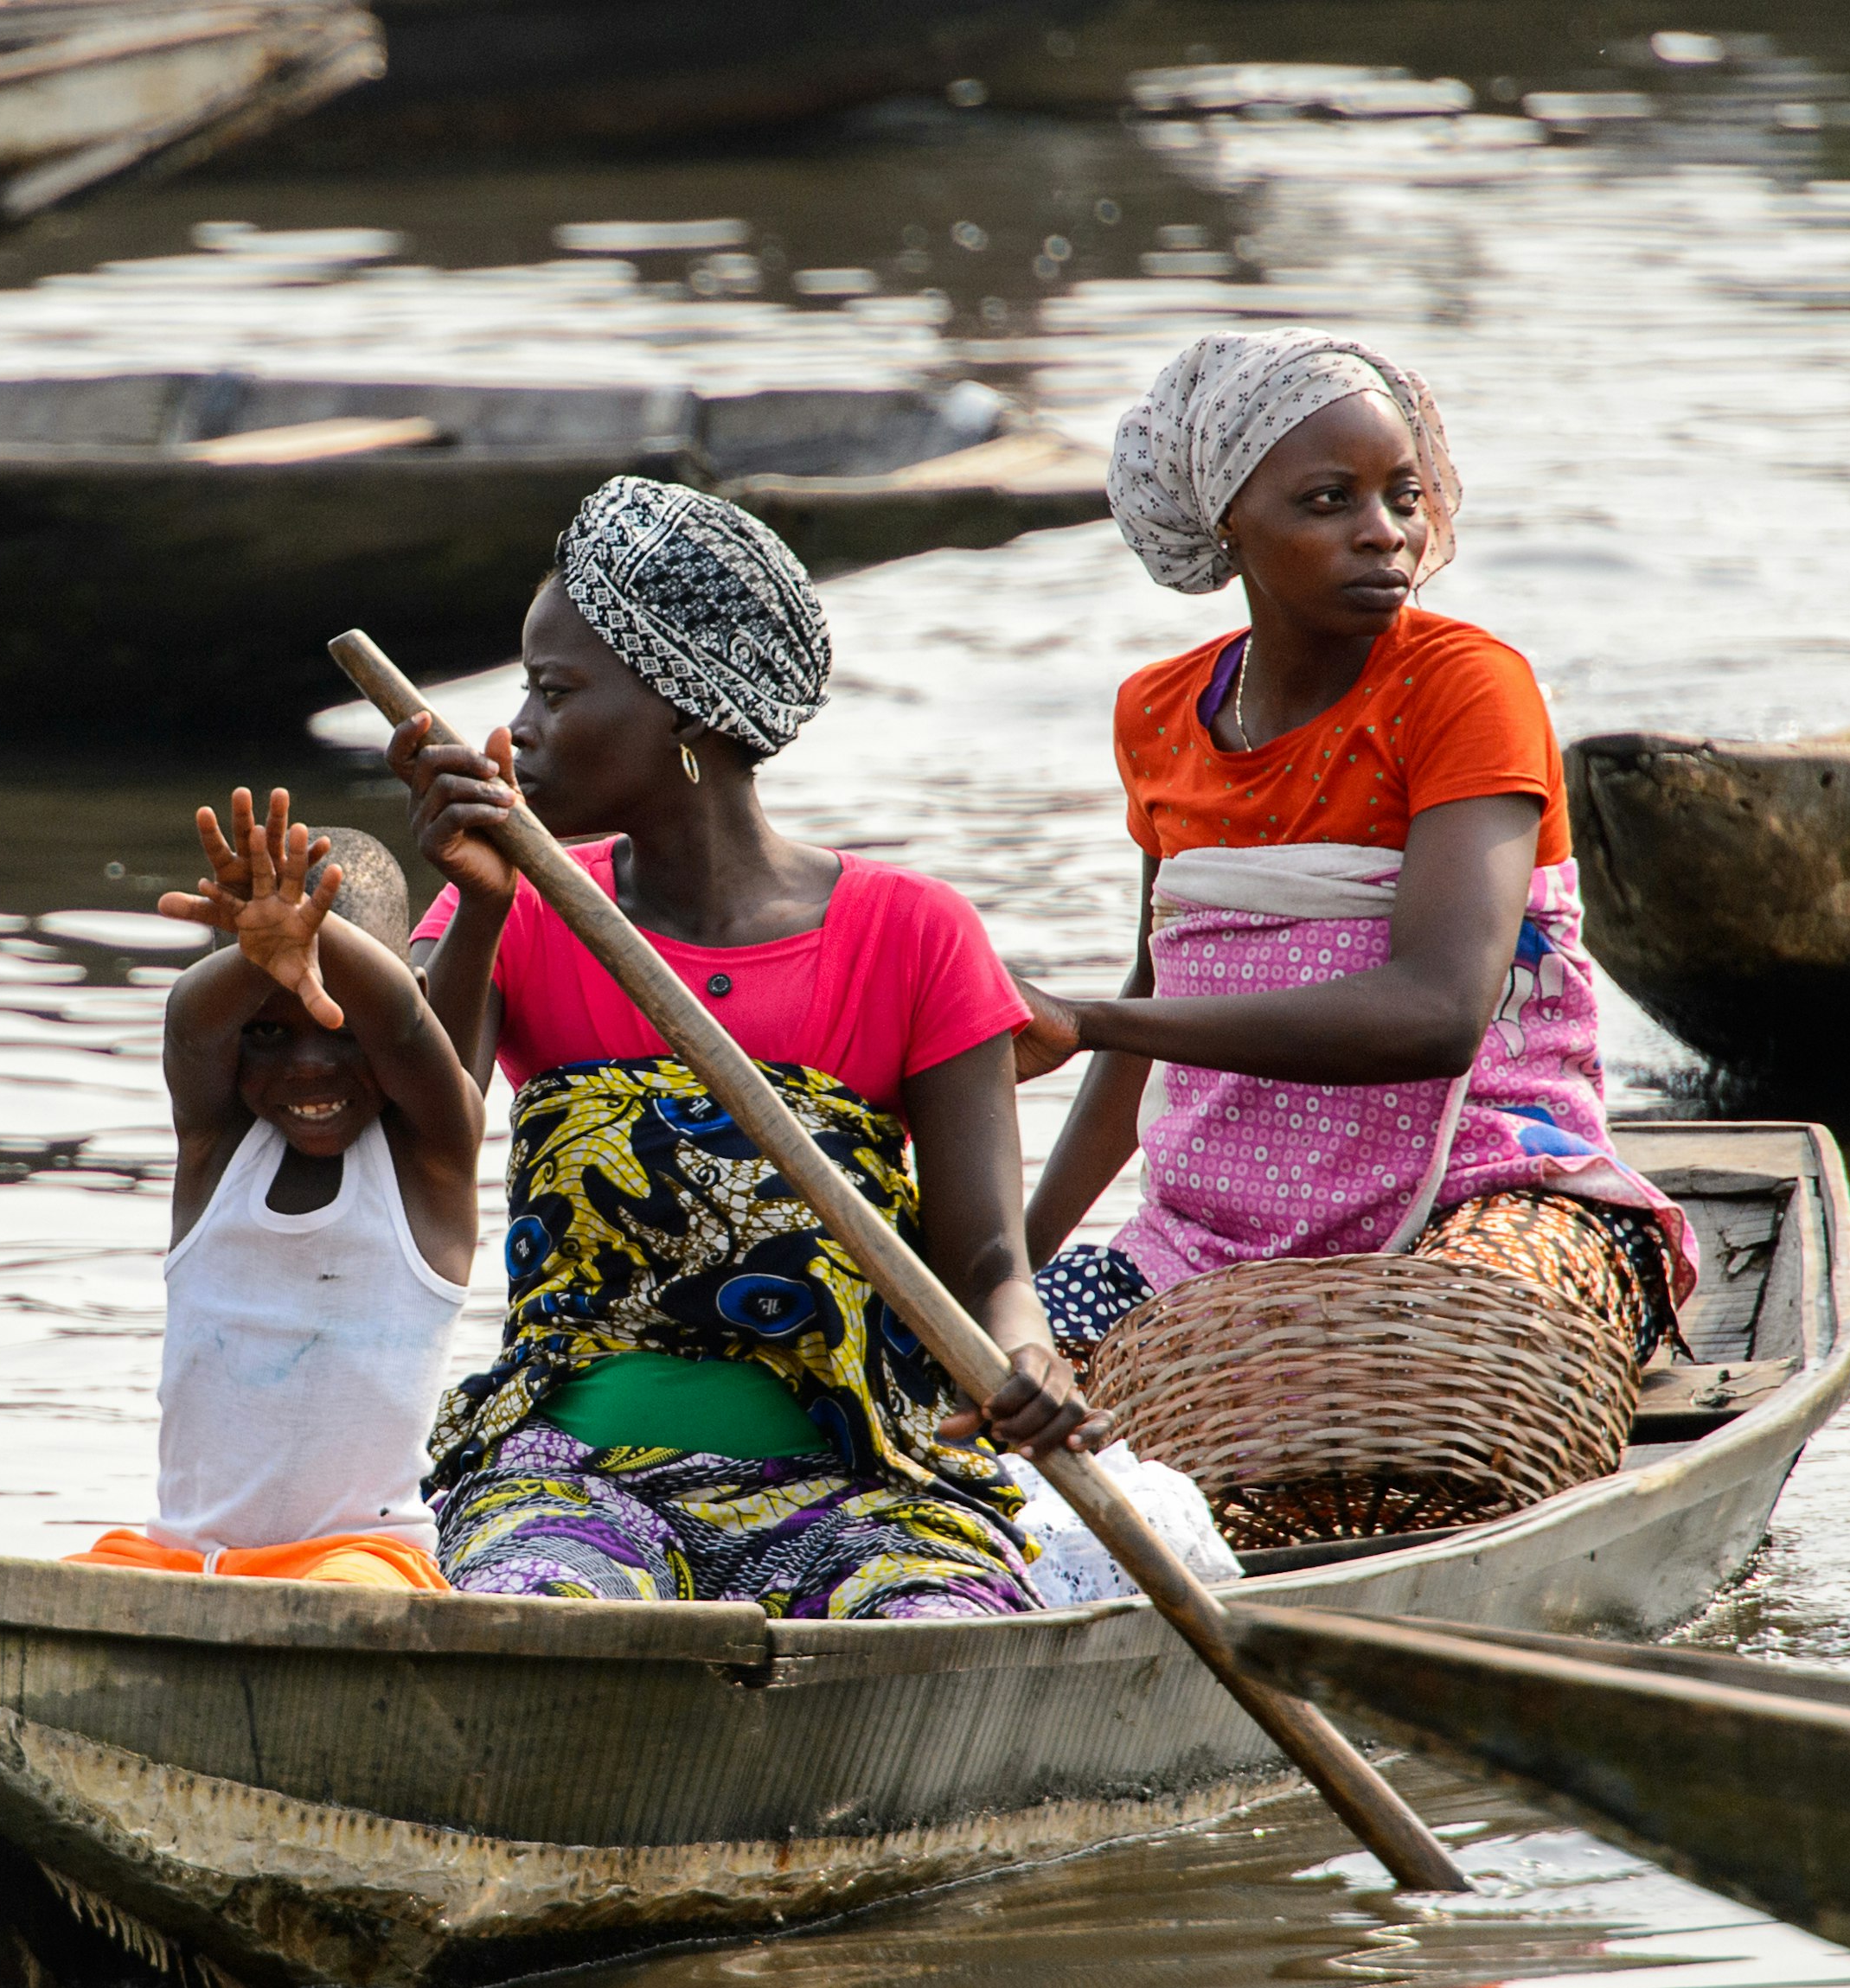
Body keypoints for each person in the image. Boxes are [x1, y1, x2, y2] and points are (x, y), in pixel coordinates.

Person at [390, 476, 1105, 1620]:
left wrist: (1028, 1357)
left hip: (861, 1484)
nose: (517, 729)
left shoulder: (913, 932)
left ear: (684, 710)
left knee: (930, 1633)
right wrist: (474, 911)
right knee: (539, 1616)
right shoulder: (521, 909)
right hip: (572, 1481)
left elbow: (986, 1266)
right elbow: (411, 1140)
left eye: (555, 689)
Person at [1017, 328, 1695, 1365]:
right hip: (1210, 1236)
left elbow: (1437, 1016)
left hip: (1486, 1193)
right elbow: (1161, 991)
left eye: (1404, 496)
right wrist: (1008, 1273)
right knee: (966, 1403)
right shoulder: (1156, 714)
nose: (1386, 534)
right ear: (1228, 523)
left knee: (1457, 1359)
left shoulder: (1467, 687)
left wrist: (1090, 1022)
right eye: (1329, 500)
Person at [67, 791, 482, 1590]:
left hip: (362, 1559)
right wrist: (260, 951)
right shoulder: (217, 1151)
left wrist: (312, 934)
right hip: (181, 1557)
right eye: (266, 1031)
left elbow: (399, 1023)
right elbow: (190, 1025)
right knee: (65, 1586)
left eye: (339, 1028)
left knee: (343, 1601)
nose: (308, 1066)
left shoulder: (430, 1160)